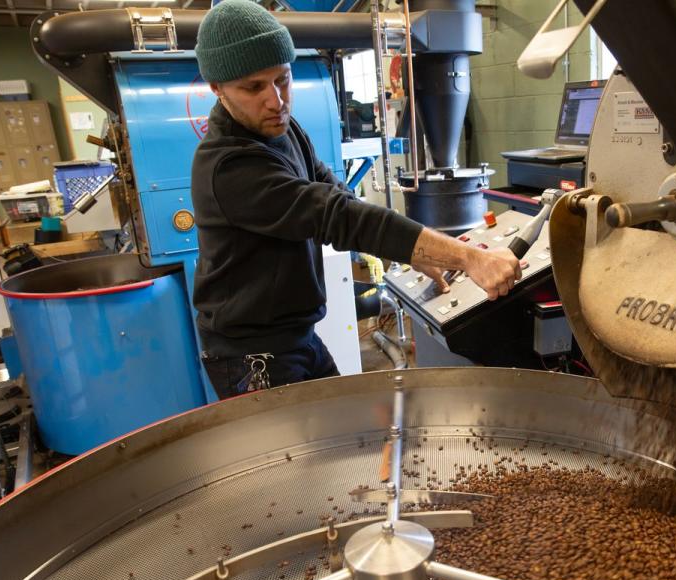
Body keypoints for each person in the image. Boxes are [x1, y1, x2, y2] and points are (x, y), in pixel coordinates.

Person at [192, 0, 520, 399]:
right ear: (217, 88)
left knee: (342, 438)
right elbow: (337, 215)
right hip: (251, 353)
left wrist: (416, 252)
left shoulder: (284, 129)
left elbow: (337, 194)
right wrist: (469, 258)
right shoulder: (229, 165)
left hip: (298, 337)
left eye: (282, 79)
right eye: (253, 87)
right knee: (302, 461)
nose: (275, 101)